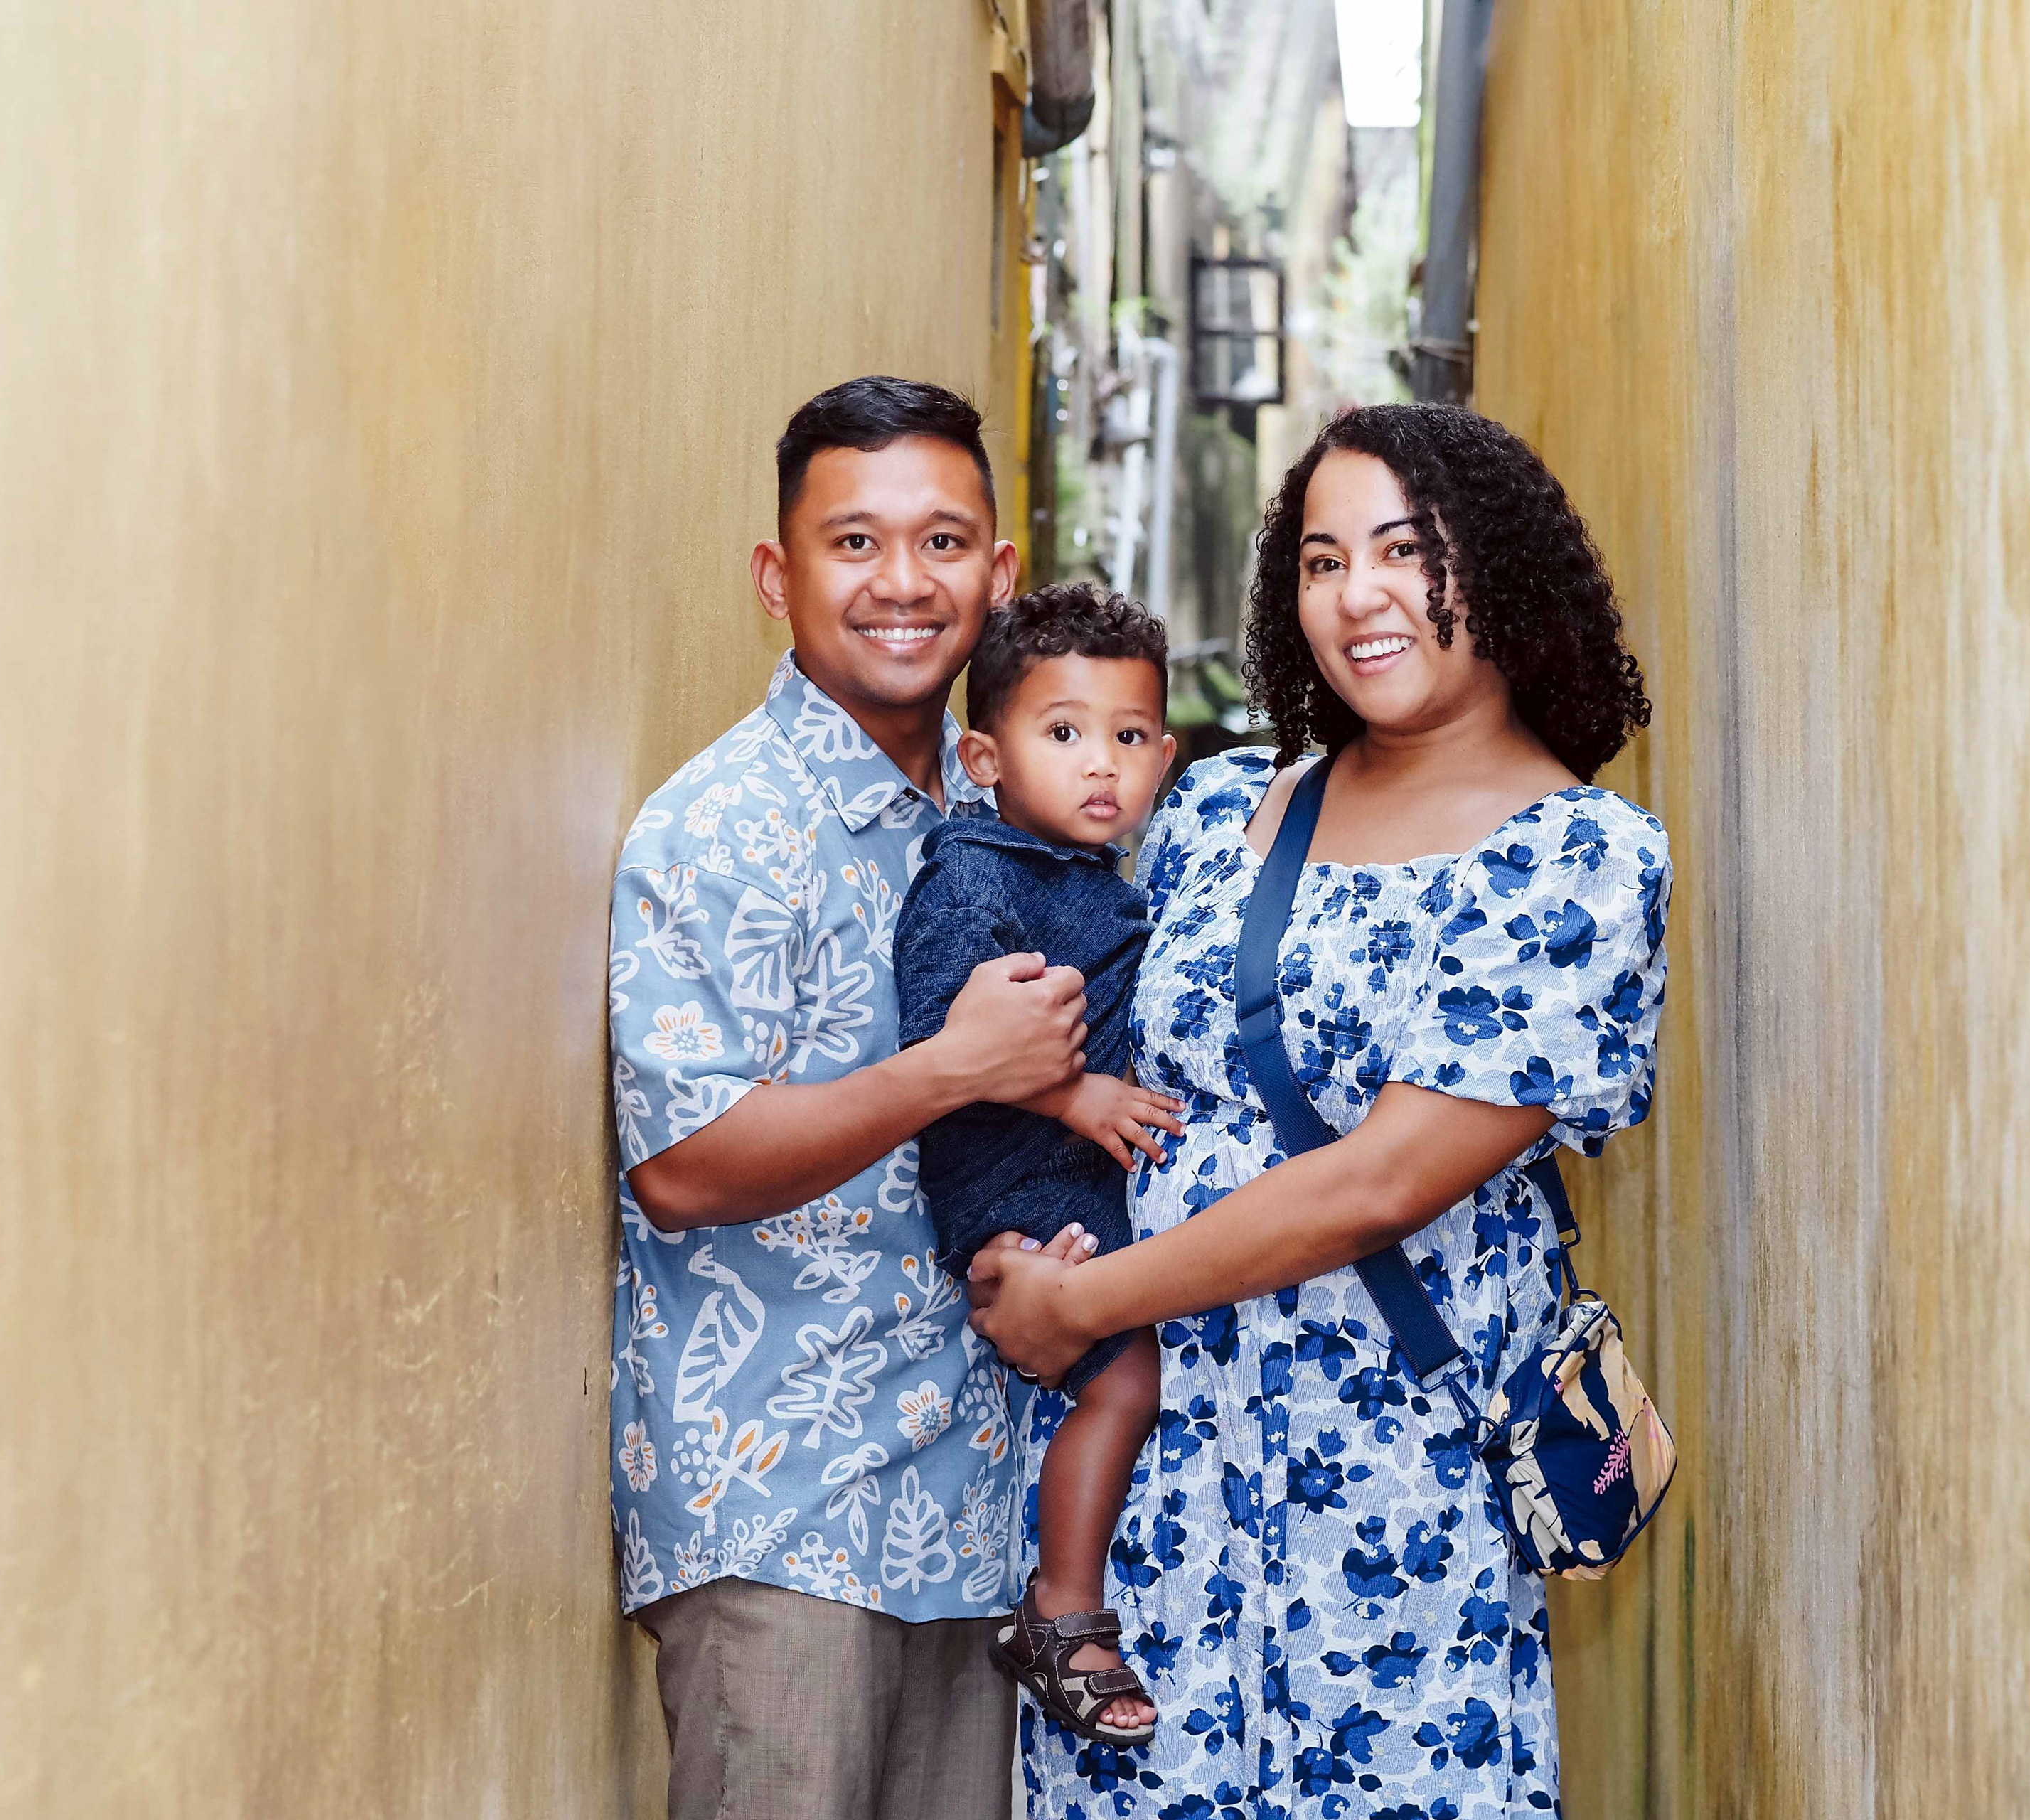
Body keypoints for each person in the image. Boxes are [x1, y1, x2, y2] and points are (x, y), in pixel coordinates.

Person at [968, 402, 1672, 1818]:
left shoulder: (1581, 859)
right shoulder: (1217, 808)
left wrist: (1090, 1300)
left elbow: (1382, 1182)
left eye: (1405, 552)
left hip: (1404, 1530)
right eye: (1321, 558)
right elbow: (1025, 955)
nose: (1359, 595)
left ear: (1502, 568)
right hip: (1153, 1521)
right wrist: (1004, 1236)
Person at [607, 375, 1089, 1820]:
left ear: (999, 576)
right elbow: (683, 1163)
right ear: (780, 575)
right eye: (853, 543)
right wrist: (953, 1066)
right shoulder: (716, 828)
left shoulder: (1012, 806)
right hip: (785, 1513)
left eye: (943, 543)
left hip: (975, 1500)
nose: (902, 583)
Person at [890, 582, 1185, 1747]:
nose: (1100, 765)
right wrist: (1078, 1092)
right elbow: (940, 1046)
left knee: (1128, 1367)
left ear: (1163, 755)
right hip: (1013, 1175)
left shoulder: (1091, 872)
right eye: (1062, 734)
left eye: (1126, 738)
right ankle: (1062, 1610)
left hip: (1064, 1172)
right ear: (984, 755)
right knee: (1125, 1379)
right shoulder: (977, 875)